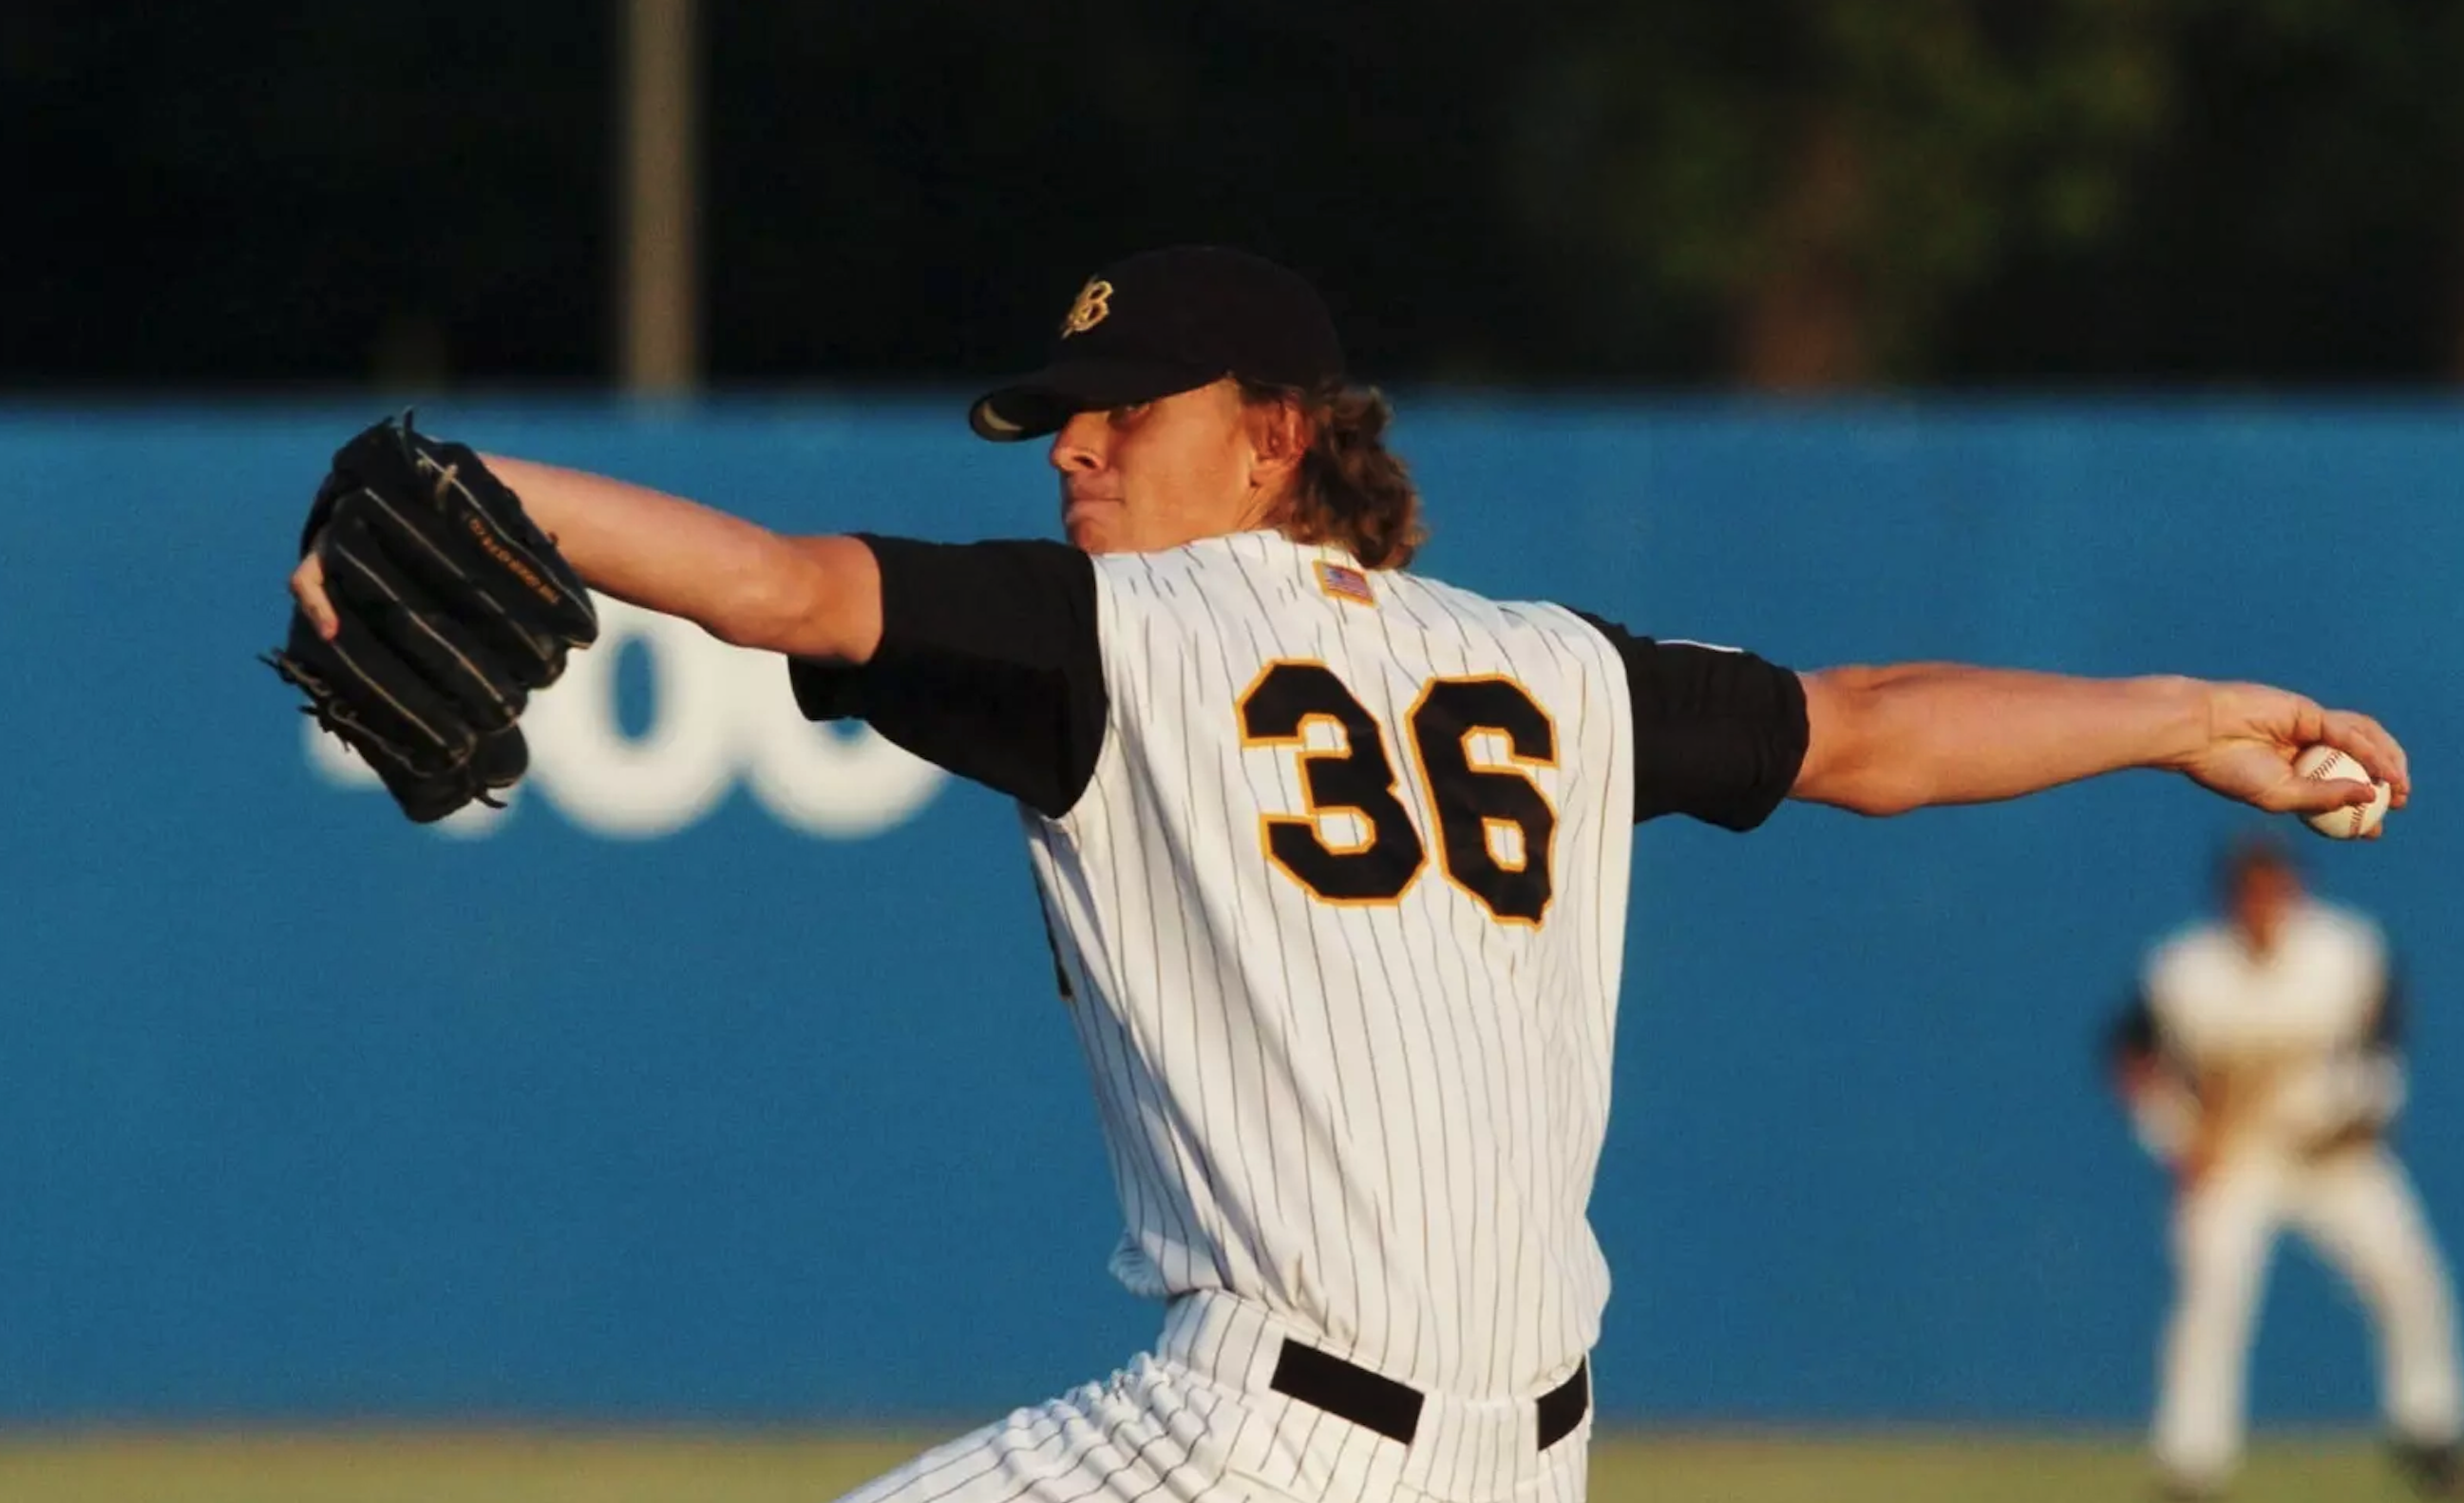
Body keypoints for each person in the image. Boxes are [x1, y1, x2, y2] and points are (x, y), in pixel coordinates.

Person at [289, 246, 2409, 1503]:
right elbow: (1865, 728)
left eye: (1130, 404)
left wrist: (466, 480)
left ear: (1278, 433)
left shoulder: (1106, 636)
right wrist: (2170, 708)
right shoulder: (1549, 666)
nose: (1079, 445)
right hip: (1521, 1464)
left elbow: (770, 583)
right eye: (1059, 413)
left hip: (1249, 1451)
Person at [2108, 836, 2459, 1500]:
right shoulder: (2187, 970)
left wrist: (2372, 1100)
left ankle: (2429, 1431)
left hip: (2334, 1157)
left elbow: (2385, 1035)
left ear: (2298, 892)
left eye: (2278, 889)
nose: (2266, 904)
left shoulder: (2345, 951)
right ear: (2230, 899)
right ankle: (2191, 1462)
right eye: (2252, 891)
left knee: (2409, 1281)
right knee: (2212, 1301)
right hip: (2237, 1158)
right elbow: (2130, 1054)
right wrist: (2177, 1139)